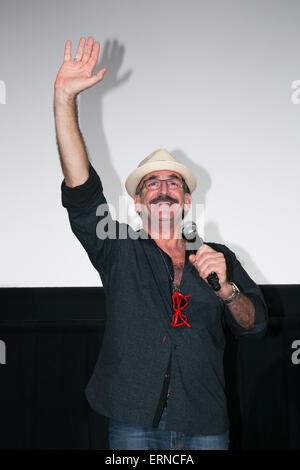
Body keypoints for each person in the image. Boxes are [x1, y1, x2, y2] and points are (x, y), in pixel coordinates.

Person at [54, 37, 268, 450]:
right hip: (133, 420)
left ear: (187, 200)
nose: (164, 188)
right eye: (153, 183)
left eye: (174, 183)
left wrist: (225, 289)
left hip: (205, 420)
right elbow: (81, 191)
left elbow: (254, 324)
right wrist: (64, 100)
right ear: (138, 202)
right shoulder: (117, 249)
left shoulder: (218, 258)